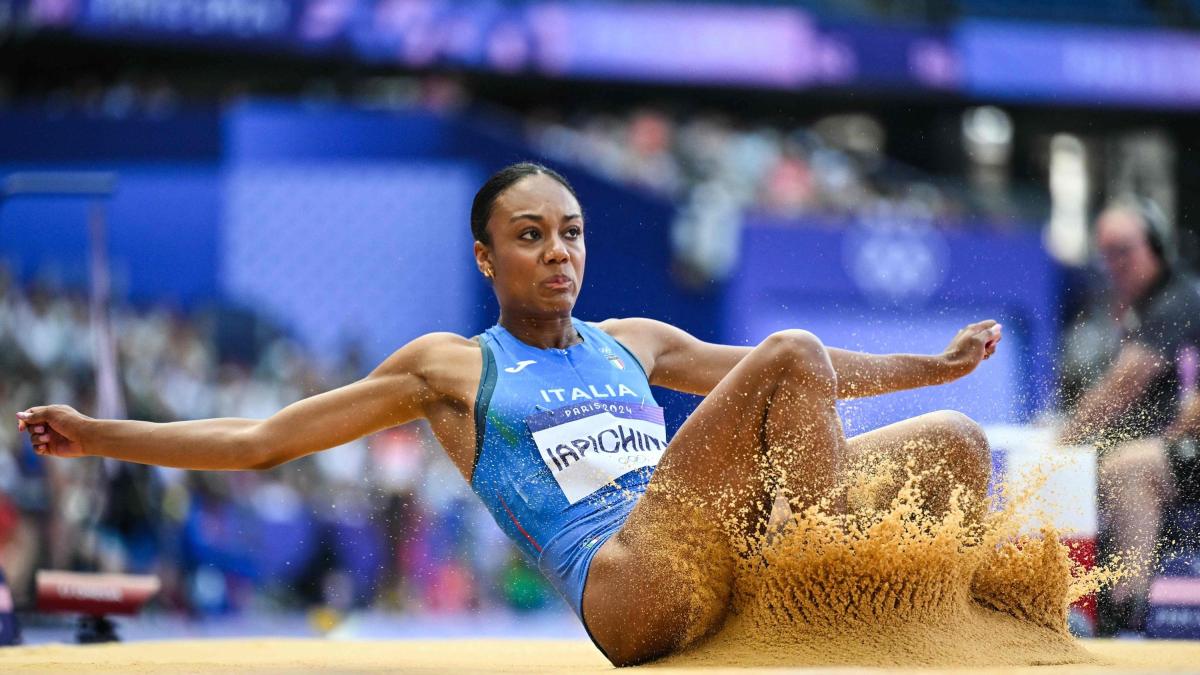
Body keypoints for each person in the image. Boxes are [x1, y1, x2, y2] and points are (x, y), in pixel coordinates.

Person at [15, 162, 1002, 665]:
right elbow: (262, 439)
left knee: (954, 446)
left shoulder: (638, 341)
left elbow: (813, 381)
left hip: (717, 567)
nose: (558, 253)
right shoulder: (450, 367)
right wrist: (100, 435)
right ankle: (837, 611)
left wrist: (936, 366)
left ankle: (897, 615)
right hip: (625, 588)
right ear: (487, 258)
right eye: (530, 237)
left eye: (570, 233)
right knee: (791, 355)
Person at [1058, 199, 1200, 635]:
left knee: (1129, 467)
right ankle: (1070, 599)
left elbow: (1122, 387)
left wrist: (1058, 445)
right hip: (1178, 442)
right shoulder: (1128, 308)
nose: (1113, 264)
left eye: (1123, 250)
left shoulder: (1179, 301)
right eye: (1105, 253)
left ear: (1156, 246)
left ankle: (1125, 620)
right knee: (1095, 461)